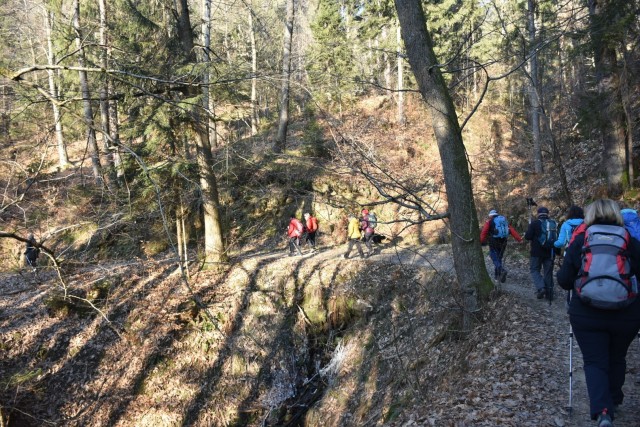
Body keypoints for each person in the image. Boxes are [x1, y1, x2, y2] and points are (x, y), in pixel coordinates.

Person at [557, 199, 640, 427]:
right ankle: (614, 398)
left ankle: (603, 412)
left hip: (586, 312)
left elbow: (564, 281)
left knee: (594, 362)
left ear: (590, 215)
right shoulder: (629, 240)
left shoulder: (582, 240)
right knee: (617, 357)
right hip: (626, 313)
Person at [480, 210, 523, 282]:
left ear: (491, 215)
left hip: (494, 242)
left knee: (493, 256)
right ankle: (497, 276)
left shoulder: (489, 222)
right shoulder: (503, 221)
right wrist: (519, 239)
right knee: (499, 258)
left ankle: (502, 270)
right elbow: (512, 230)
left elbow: (484, 232)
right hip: (503, 242)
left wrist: (481, 241)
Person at [524, 206, 557, 300]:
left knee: (534, 270)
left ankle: (541, 287)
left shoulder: (534, 223)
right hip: (550, 252)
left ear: (538, 214)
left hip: (536, 252)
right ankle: (549, 294)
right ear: (547, 214)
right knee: (548, 272)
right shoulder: (553, 223)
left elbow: (528, 237)